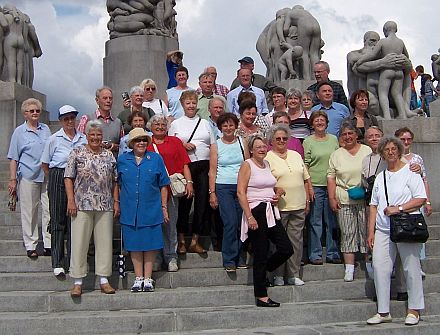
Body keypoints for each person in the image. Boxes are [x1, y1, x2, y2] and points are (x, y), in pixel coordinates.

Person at [366, 136, 426, 326]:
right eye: (386, 150)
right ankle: (383, 311)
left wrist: (398, 208)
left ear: (399, 151)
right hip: (383, 229)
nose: (390, 152)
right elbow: (373, 205)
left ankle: (414, 309)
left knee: (411, 268)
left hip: (406, 226)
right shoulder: (380, 177)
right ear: (382, 154)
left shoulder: (411, 172)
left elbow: (420, 198)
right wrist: (371, 232)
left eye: (393, 149)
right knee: (380, 268)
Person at [237, 134, 293, 307]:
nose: (262, 149)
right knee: (261, 253)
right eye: (258, 147)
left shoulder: (267, 164)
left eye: (263, 147)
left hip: (270, 210)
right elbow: (241, 192)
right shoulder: (247, 165)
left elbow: (268, 184)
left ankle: (263, 273)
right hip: (256, 211)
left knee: (286, 248)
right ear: (252, 150)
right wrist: (249, 216)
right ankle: (261, 295)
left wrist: (278, 191)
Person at [65, 120, 119, 298]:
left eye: (98, 134)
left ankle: (104, 279)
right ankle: (78, 282)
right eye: (92, 134)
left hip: (104, 204)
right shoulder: (77, 152)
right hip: (82, 203)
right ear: (86, 136)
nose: (95, 138)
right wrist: (71, 200)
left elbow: (114, 180)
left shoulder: (109, 155)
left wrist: (116, 201)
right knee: (79, 242)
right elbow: (68, 177)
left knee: (104, 243)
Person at [117, 128, 170, 292]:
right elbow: (116, 184)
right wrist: (116, 202)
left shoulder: (155, 159)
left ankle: (148, 278)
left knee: (150, 244)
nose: (141, 143)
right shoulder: (122, 160)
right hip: (130, 209)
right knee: (134, 244)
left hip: (151, 208)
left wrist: (163, 207)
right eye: (138, 140)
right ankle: (138, 277)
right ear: (132, 143)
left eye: (144, 140)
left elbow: (163, 185)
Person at [41, 105, 87, 277]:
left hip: (78, 179)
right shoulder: (54, 139)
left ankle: (74, 260)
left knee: (74, 221)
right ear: (60, 120)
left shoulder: (82, 138)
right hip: (58, 176)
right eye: (66, 118)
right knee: (58, 219)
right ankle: (58, 261)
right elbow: (45, 164)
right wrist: (56, 178)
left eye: (72, 118)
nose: (69, 121)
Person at [168, 90, 215, 254]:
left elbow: (212, 145)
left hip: (203, 165)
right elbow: (171, 145)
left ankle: (195, 240)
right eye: (188, 103)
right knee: (185, 203)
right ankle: (181, 240)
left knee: (202, 204)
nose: (191, 106)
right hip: (184, 166)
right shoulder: (176, 124)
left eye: (193, 103)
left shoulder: (205, 123)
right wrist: (183, 146)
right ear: (182, 104)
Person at [147, 114, 193, 272]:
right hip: (152, 191)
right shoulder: (146, 143)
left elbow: (185, 163)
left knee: (170, 224)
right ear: (151, 127)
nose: (160, 127)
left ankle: (171, 256)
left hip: (171, 189)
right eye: (156, 124)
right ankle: (157, 257)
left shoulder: (174, 142)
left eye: (162, 124)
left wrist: (189, 183)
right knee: (155, 225)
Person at [266, 124, 311, 286]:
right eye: (278, 138)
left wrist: (307, 199)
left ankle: (293, 274)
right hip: (279, 208)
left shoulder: (295, 155)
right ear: (271, 140)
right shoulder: (267, 158)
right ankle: (278, 275)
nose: (281, 141)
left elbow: (305, 177)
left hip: (298, 204)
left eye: (284, 138)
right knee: (279, 244)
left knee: (296, 242)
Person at [327, 122, 372, 281]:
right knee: (347, 232)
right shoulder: (336, 154)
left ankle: (369, 264)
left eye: (350, 133)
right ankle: (350, 267)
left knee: (366, 231)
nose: (347, 137)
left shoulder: (367, 151)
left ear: (356, 135)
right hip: (344, 197)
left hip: (364, 198)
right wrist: (332, 197)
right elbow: (331, 177)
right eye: (344, 134)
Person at [7, 98, 51, 259]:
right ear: (25, 113)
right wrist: (13, 179)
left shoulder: (46, 129)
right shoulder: (19, 132)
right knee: (29, 211)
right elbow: (13, 157)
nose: (34, 113)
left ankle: (49, 243)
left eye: (37, 111)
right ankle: (31, 244)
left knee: (48, 210)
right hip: (28, 175)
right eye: (31, 111)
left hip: (46, 175)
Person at [209, 113, 249, 272]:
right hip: (223, 186)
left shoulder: (242, 142)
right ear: (220, 128)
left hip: (241, 187)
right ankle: (229, 259)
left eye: (231, 125)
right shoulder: (216, 145)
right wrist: (212, 192)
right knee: (230, 222)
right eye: (225, 125)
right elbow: (212, 171)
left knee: (241, 223)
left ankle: (240, 256)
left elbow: (247, 165)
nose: (228, 128)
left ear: (236, 126)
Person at [303, 111, 341, 265]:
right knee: (315, 221)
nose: (319, 122)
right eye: (316, 120)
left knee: (332, 221)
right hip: (316, 185)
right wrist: (309, 186)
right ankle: (315, 253)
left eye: (322, 120)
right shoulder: (308, 141)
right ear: (312, 124)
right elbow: (305, 164)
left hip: (332, 185)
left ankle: (333, 252)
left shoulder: (333, 139)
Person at [77, 86, 123, 156]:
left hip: (112, 163)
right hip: (91, 163)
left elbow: (123, 145)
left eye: (110, 98)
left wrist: (113, 146)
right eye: (105, 98)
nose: (108, 101)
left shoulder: (118, 122)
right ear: (97, 100)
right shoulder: (87, 119)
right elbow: (78, 142)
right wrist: (96, 144)